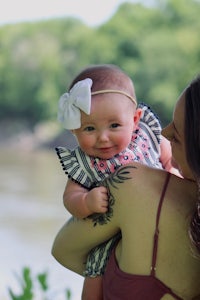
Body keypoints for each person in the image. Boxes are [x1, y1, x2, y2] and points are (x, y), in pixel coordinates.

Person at [52, 75, 200, 299]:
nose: (165, 132)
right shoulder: (88, 163)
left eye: (177, 135)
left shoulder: (134, 178)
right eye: (90, 128)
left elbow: (63, 250)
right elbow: (71, 196)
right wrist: (85, 201)